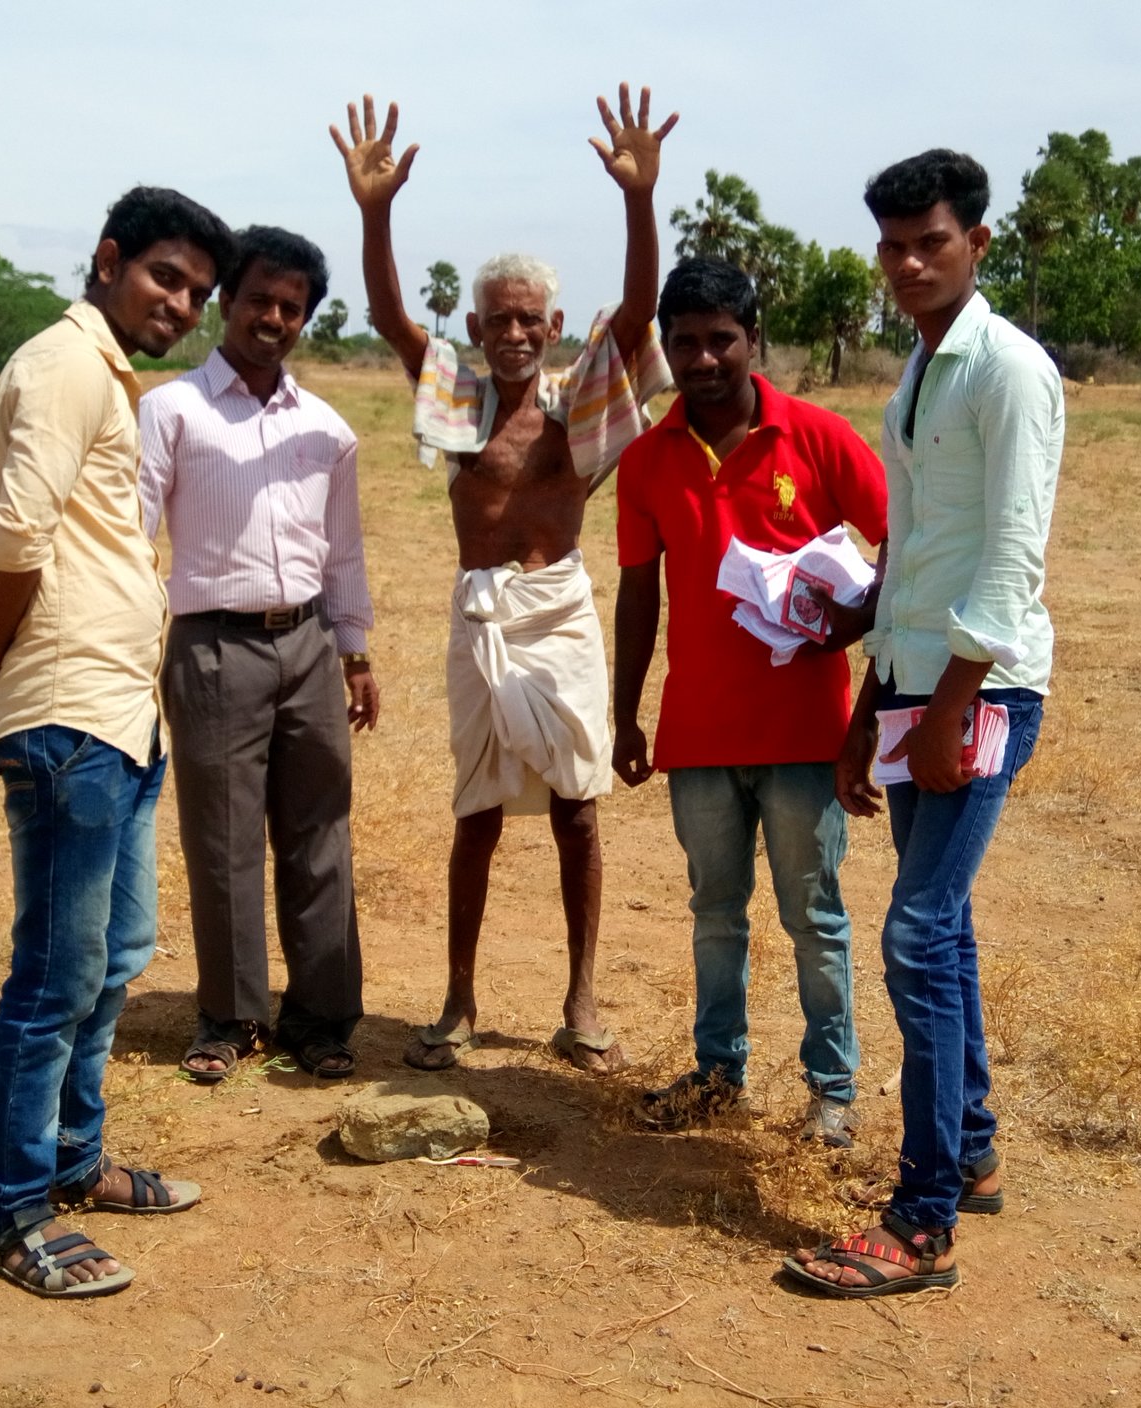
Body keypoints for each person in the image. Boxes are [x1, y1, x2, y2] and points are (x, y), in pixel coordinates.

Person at [0, 187, 237, 1299]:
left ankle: (72, 1160)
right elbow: (16, 531)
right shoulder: (60, 365)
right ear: (108, 260)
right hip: (67, 712)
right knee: (54, 975)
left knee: (113, 956)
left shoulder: (103, 372)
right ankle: (7, 1212)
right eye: (165, 277)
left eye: (196, 290)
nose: (182, 303)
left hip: (119, 710)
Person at [329, 87, 675, 1075]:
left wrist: (638, 200)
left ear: (554, 323)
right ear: (477, 325)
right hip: (476, 615)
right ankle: (457, 1000)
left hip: (557, 613)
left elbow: (642, 309)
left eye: (531, 321)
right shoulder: (455, 398)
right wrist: (375, 211)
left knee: (576, 804)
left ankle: (580, 998)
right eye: (499, 321)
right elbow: (394, 317)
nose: (515, 334)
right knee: (475, 811)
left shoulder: (581, 405)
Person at [779, 150, 1065, 1297]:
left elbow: (1008, 561)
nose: (905, 264)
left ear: (976, 243)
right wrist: (867, 713)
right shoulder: (920, 369)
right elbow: (909, 555)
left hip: (978, 691)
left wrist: (945, 709)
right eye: (891, 246)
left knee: (915, 932)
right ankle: (974, 1150)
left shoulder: (1007, 371)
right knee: (939, 931)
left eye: (928, 242)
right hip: (914, 685)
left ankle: (923, 1218)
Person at [611, 257, 888, 1148]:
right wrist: (626, 713)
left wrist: (849, 622)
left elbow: (905, 550)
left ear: (752, 340)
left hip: (807, 734)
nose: (701, 359)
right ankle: (717, 1073)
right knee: (713, 915)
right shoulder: (649, 459)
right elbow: (636, 592)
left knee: (814, 917)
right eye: (683, 342)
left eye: (719, 340)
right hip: (696, 735)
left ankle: (832, 1093)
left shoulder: (817, 438)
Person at [137, 225, 380, 1085]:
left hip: (309, 643)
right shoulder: (172, 411)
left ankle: (321, 1020)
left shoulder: (327, 429)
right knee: (224, 837)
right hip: (213, 649)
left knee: (320, 834)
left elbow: (342, 547)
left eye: (291, 306)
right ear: (226, 302)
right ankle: (231, 1016)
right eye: (258, 300)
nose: (273, 317)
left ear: (306, 316)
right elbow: (132, 536)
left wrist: (353, 652)